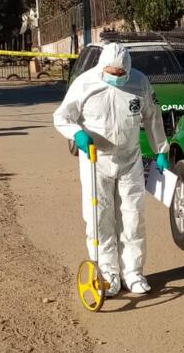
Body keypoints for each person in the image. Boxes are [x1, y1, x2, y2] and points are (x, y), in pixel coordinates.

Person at [53, 42, 169, 295]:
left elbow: (153, 115)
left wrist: (161, 149)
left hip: (130, 159)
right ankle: (107, 273)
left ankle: (133, 272)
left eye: (121, 73)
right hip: (96, 160)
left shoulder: (139, 82)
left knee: (133, 217)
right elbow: (62, 116)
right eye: (112, 73)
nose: (117, 77)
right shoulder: (85, 84)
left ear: (128, 69)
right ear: (102, 66)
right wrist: (76, 133)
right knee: (100, 218)